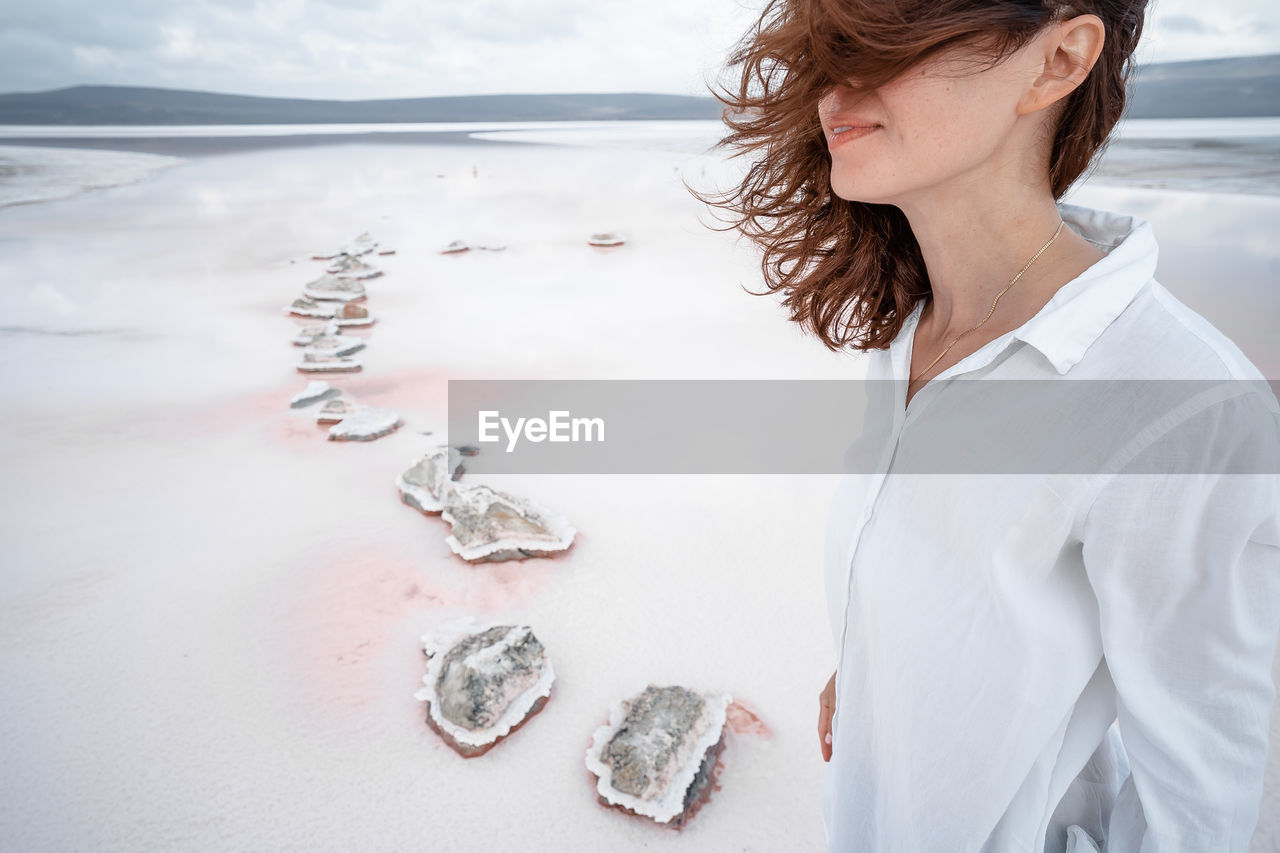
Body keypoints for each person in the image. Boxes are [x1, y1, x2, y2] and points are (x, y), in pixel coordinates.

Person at [691, 1, 1280, 850]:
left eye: (887, 37)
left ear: (1058, 60)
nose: (835, 85)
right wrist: (871, 667)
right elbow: (970, 589)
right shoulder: (914, 328)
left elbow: (1195, 811)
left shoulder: (1181, 404)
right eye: (831, 46)